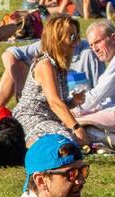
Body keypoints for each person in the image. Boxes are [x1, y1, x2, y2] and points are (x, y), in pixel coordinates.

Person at [13, 15, 93, 148]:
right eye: (72, 37)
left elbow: (54, 103)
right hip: (30, 118)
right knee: (66, 140)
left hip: (47, 118)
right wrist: (76, 128)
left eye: (77, 36)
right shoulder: (45, 65)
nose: (77, 42)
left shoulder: (59, 66)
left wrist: (73, 102)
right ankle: (26, 146)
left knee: (78, 138)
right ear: (57, 40)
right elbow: (54, 102)